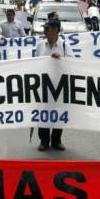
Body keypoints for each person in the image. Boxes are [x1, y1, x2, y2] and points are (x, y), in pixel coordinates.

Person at [35, 19, 73, 151]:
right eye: (44, 29)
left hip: (60, 87)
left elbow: (73, 64)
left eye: (47, 29)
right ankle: (44, 141)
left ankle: (56, 140)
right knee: (43, 113)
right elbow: (34, 63)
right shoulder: (40, 45)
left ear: (56, 30)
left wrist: (61, 59)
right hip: (43, 86)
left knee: (59, 114)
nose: (45, 31)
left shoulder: (65, 46)